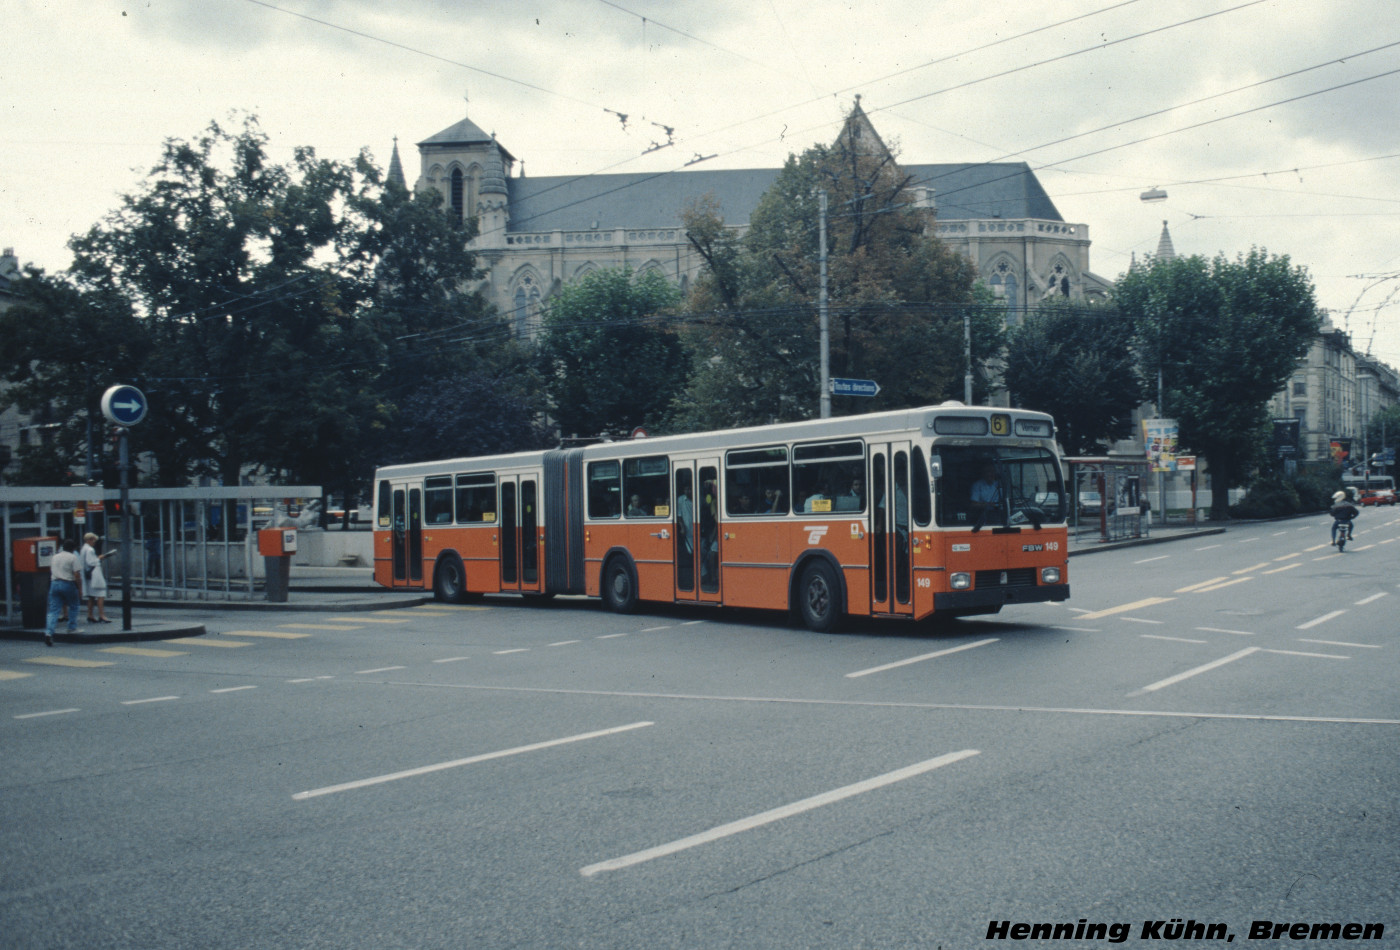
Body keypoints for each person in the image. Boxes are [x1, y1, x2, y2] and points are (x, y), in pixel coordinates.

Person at [44, 538, 83, 646]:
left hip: (55, 583)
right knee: (74, 605)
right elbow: (77, 575)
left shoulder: (55, 557)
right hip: (68, 583)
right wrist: (80, 589)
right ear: (73, 548)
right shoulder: (73, 557)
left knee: (53, 610)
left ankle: (49, 632)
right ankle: (71, 627)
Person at [80, 532, 115, 623]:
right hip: (95, 575)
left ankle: (90, 615)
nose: (94, 542)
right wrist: (100, 558)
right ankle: (102, 615)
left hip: (88, 575)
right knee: (101, 594)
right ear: (89, 540)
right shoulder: (90, 550)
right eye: (93, 540)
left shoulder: (83, 548)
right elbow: (91, 562)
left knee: (91, 596)